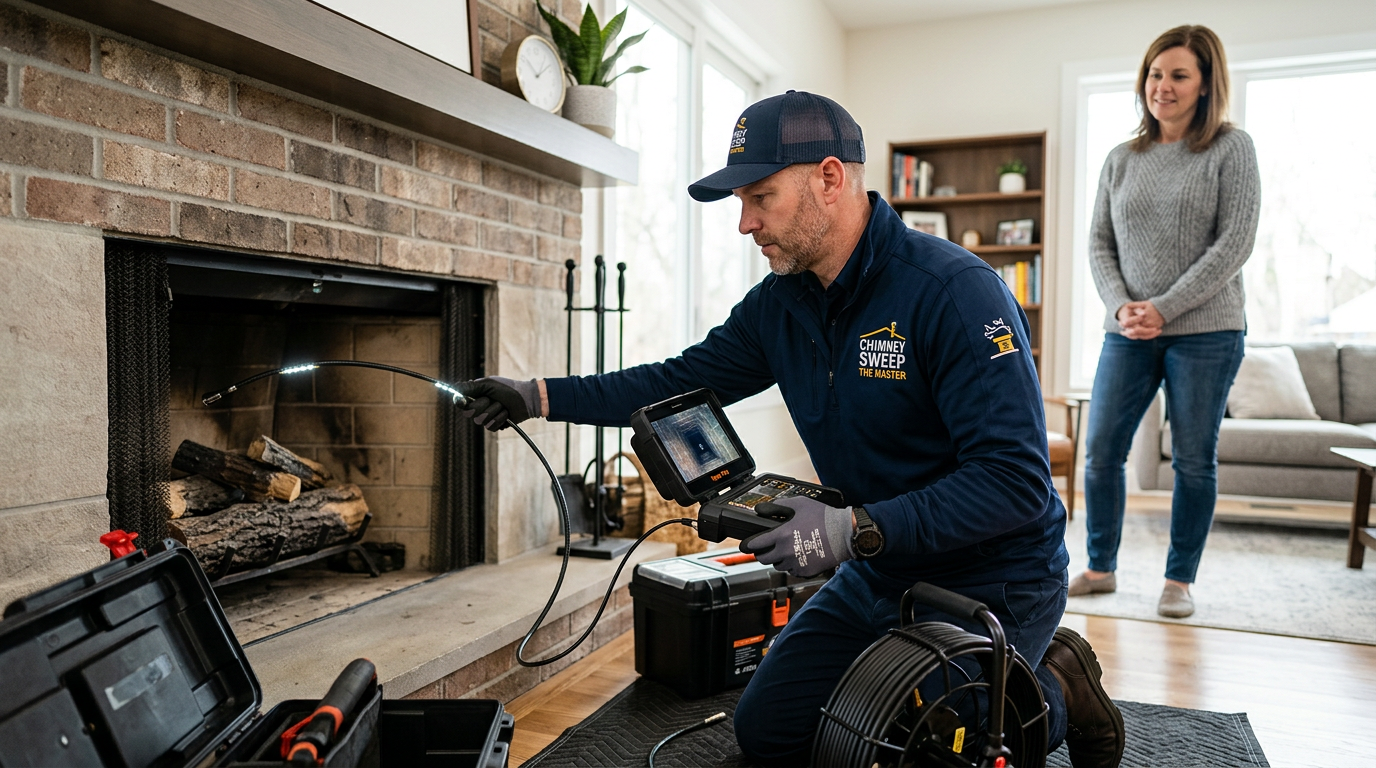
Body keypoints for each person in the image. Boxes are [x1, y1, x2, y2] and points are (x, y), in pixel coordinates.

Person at [461, 91, 1124, 767]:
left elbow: (1013, 483)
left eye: (761, 198)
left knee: (934, 746)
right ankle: (933, 673)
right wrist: (535, 394)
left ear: (829, 179)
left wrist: (854, 527)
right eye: (740, 203)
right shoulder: (780, 305)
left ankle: (1057, 680)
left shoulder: (955, 293)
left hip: (990, 575)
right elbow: (674, 382)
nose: (744, 224)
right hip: (874, 571)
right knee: (769, 733)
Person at [1074, 25, 1260, 619]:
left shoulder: (1232, 149)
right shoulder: (1121, 159)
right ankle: (1101, 568)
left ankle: (1179, 580)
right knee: (1101, 452)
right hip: (1127, 329)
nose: (1164, 86)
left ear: (1206, 84)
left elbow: (1235, 243)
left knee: (1192, 459)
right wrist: (1122, 305)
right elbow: (1099, 241)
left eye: (1179, 75)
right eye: (1156, 74)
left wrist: (1164, 307)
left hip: (1207, 330)